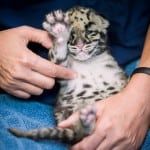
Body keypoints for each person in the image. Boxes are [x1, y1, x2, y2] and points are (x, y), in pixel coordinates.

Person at [0, 0, 149, 150]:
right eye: (71, 34)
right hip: (21, 90)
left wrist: (142, 96)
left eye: (89, 32)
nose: (80, 44)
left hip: (140, 66)